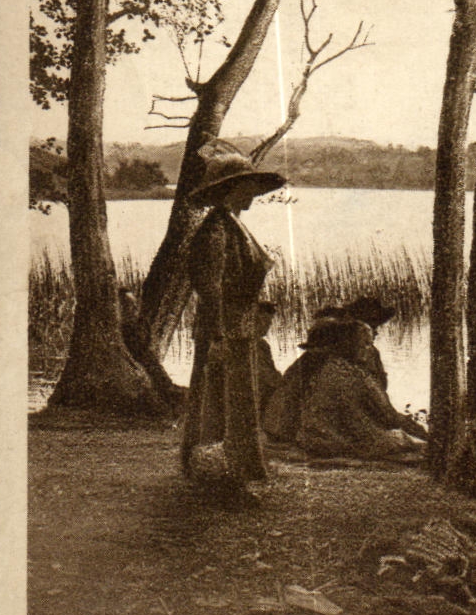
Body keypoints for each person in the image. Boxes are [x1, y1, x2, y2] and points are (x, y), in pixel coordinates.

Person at [182, 140, 287, 487]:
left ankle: (238, 469)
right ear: (228, 191)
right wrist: (217, 338)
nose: (252, 195)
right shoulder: (215, 231)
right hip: (225, 329)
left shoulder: (232, 226)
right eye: (247, 188)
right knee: (220, 402)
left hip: (238, 328)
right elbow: (210, 289)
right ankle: (221, 473)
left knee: (238, 403)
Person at [264, 298, 425, 459]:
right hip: (315, 436)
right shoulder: (352, 370)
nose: (376, 333)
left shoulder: (321, 365)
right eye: (372, 328)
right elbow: (381, 412)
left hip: (299, 433)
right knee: (401, 439)